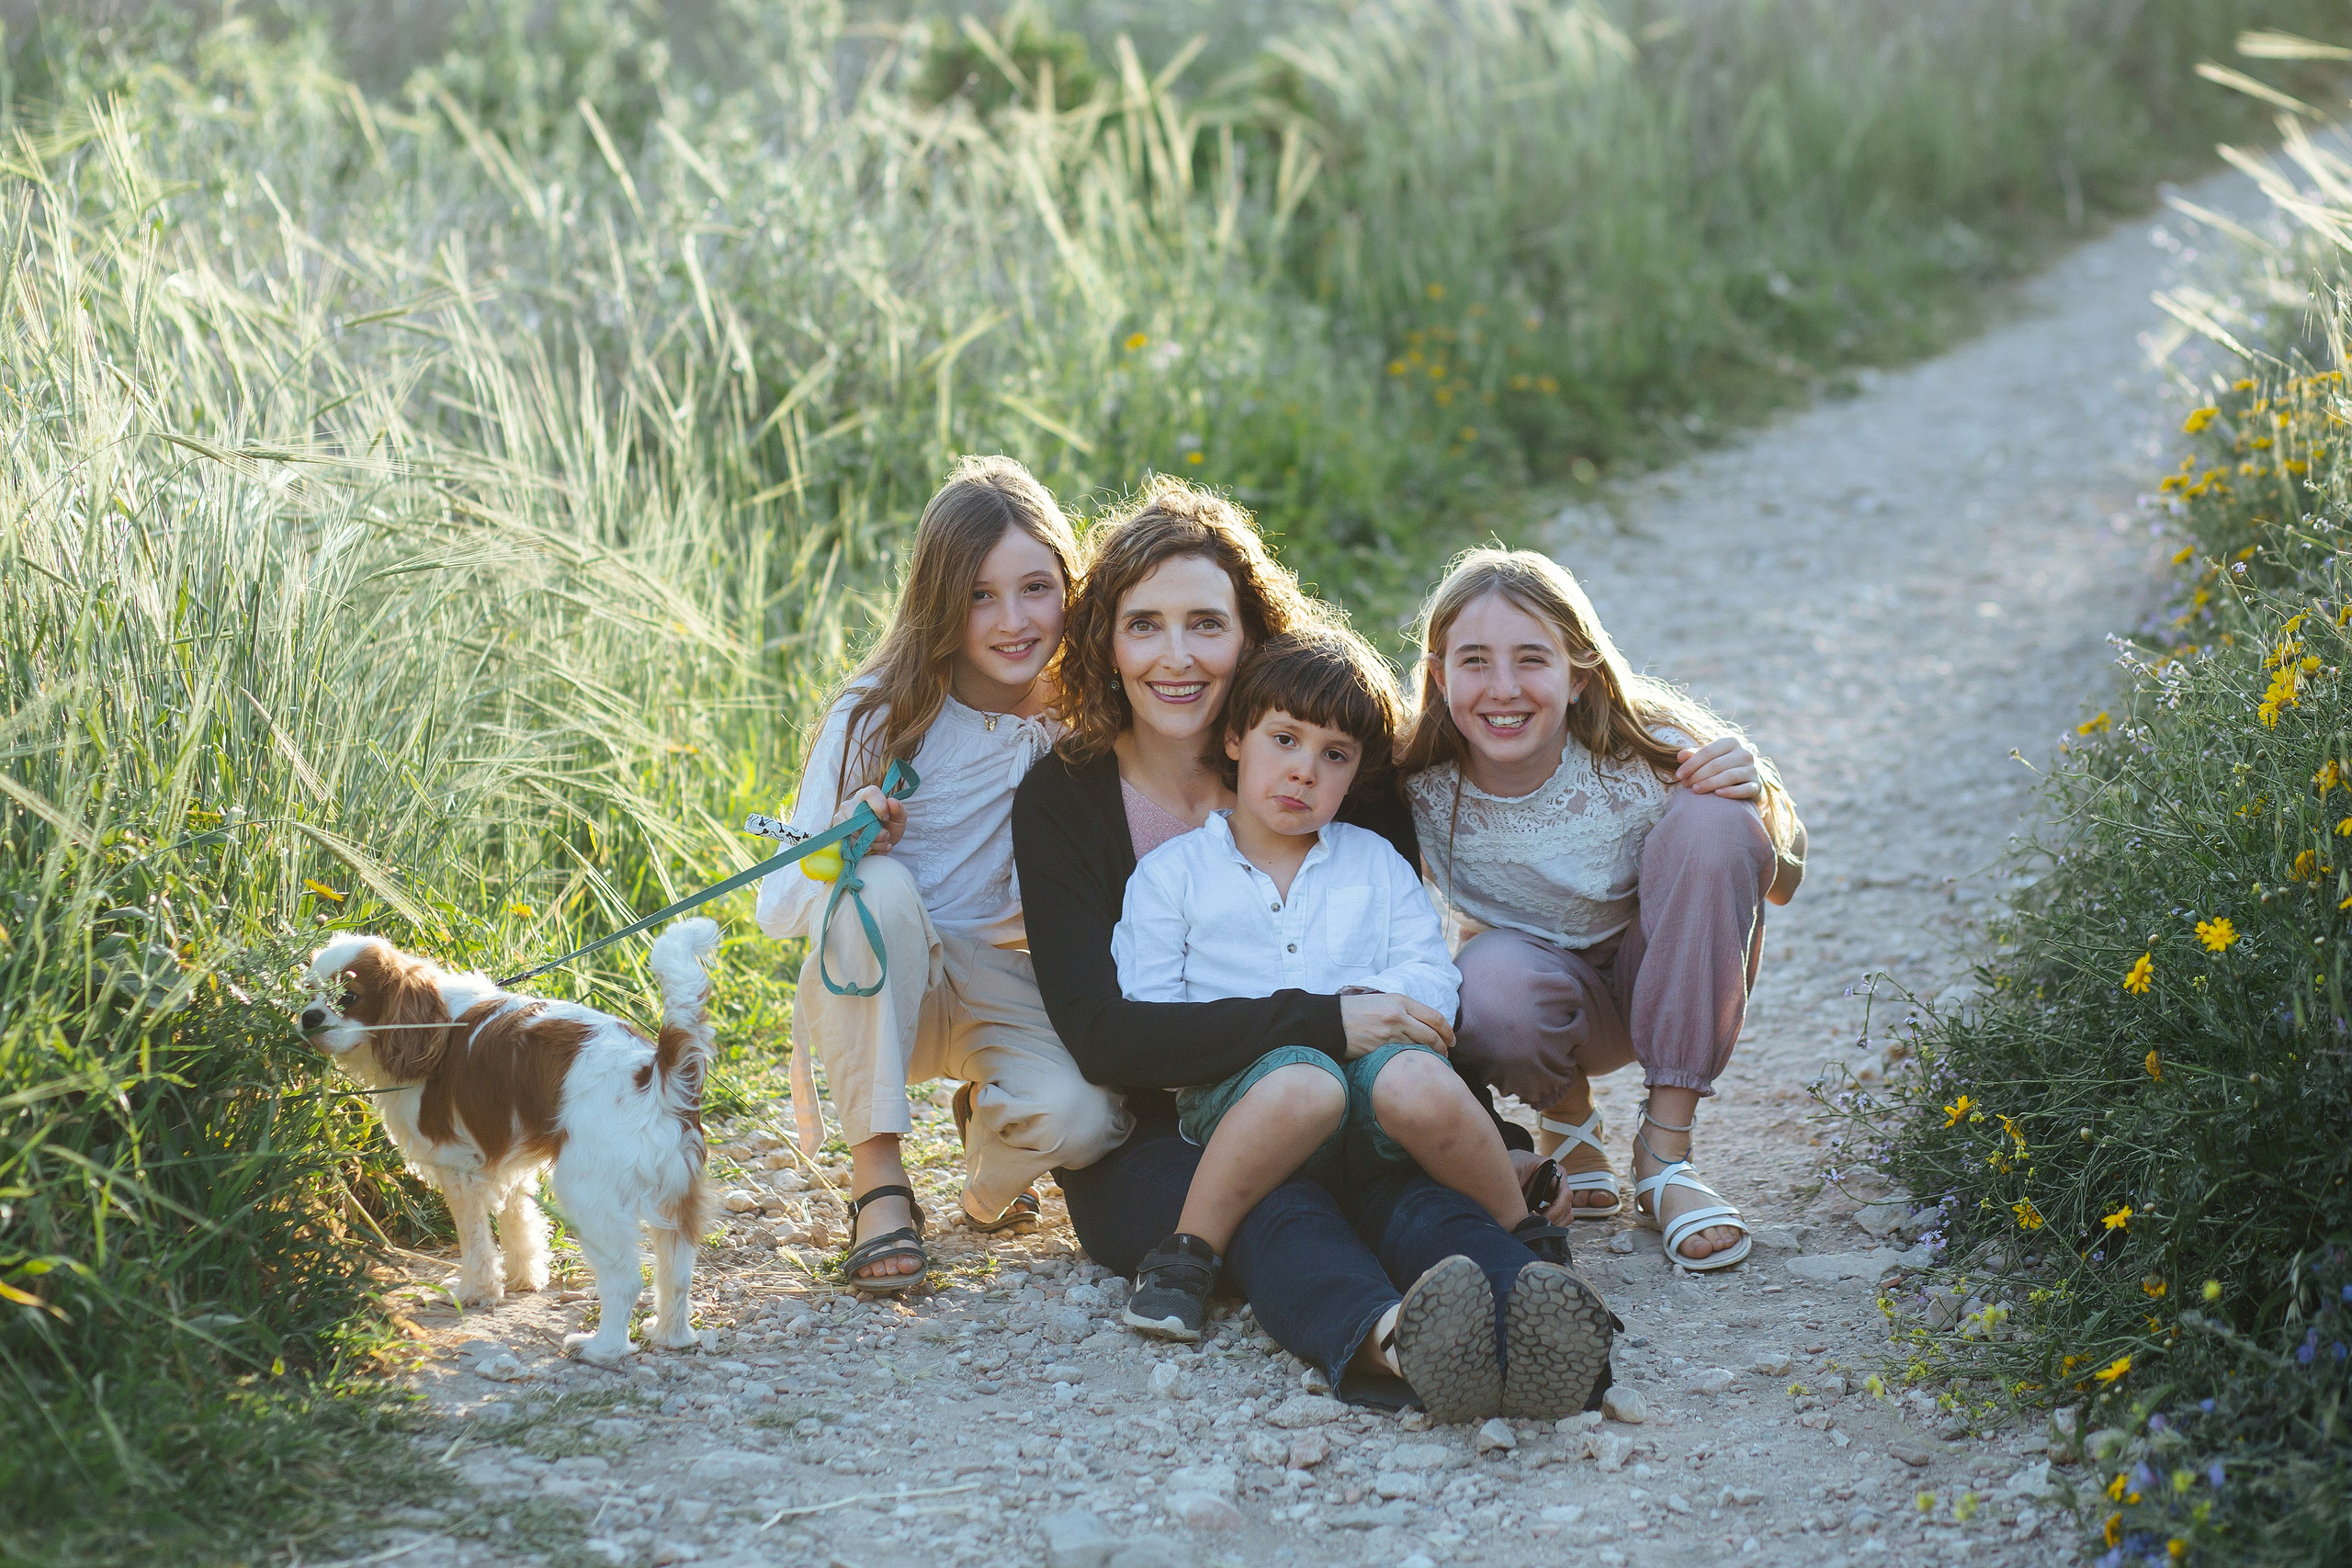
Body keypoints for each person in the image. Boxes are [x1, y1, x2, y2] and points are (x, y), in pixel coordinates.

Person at [1015, 479, 1613, 1423]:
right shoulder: (1066, 797)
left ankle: (1540, 1320)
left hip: (1362, 1103)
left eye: (1207, 625)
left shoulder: (1340, 775)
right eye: (1144, 626)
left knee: (1417, 1203)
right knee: (1284, 1215)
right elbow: (1105, 1034)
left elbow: (1410, 979)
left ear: (1251, 637)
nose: (1177, 656)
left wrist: (1486, 1140)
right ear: (1107, 641)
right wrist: (1325, 1024)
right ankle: (1394, 1344)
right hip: (1175, 1134)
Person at [755, 456, 1128, 1292]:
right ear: (939, 600)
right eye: (980, 596)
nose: (1013, 621)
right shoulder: (880, 711)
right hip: (890, 983)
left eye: (1036, 588)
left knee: (1088, 1117)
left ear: (1068, 587)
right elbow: (782, 903)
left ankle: (987, 1166)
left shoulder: (1085, 713)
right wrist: (847, 838)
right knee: (879, 887)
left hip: (1005, 980)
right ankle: (879, 1181)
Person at [1112, 630, 1550, 1341]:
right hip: (1247, 1102)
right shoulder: (1173, 876)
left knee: (1418, 1077)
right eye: (1284, 739)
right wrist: (1324, 1018)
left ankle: (1530, 1243)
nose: (1304, 771)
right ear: (1235, 739)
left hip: (1377, 1101)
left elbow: (1432, 981)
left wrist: (1366, 1012)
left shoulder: (1375, 863)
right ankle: (1185, 1257)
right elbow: (1155, 1019)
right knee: (1306, 1082)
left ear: (1354, 773)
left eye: (1334, 755)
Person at [1399, 548, 1807, 1271]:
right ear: (1438, 675)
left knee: (1714, 820)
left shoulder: (1645, 749)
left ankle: (1664, 1157)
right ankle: (1567, 1119)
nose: (1503, 688)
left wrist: (1757, 793)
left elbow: (1782, 882)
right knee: (1487, 980)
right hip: (1541, 1004)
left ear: (1578, 673)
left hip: (1663, 976)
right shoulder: (1417, 782)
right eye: (1474, 661)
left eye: (1532, 659)